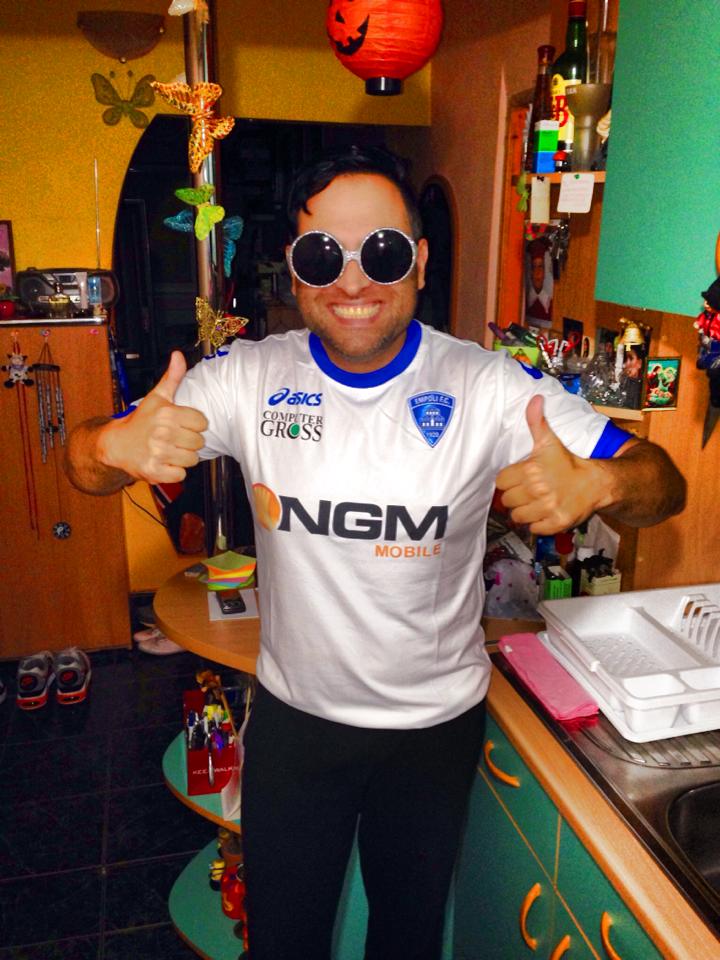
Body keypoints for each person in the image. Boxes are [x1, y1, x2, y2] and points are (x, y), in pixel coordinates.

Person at [64, 146, 686, 960]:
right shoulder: (248, 378)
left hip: (431, 731)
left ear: (420, 261)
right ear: (295, 269)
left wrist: (599, 482)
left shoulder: (489, 387)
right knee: (282, 943)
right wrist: (111, 445)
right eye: (324, 255)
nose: (352, 281)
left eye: (382, 252)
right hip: (296, 726)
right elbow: (83, 464)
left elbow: (660, 480)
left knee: (408, 940)